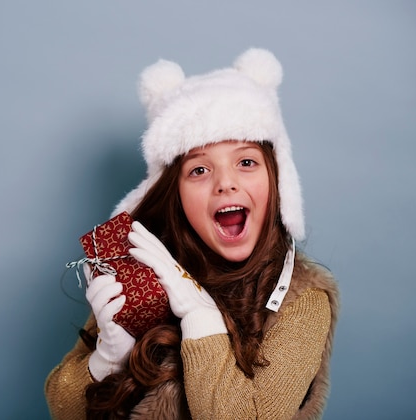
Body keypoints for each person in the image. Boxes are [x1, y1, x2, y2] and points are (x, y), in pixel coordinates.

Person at [45, 48, 339, 419]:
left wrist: (199, 316)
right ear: (175, 193)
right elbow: (61, 405)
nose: (225, 184)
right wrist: (106, 358)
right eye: (199, 170)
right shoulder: (143, 270)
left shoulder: (304, 299)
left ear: (277, 180)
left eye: (246, 162)